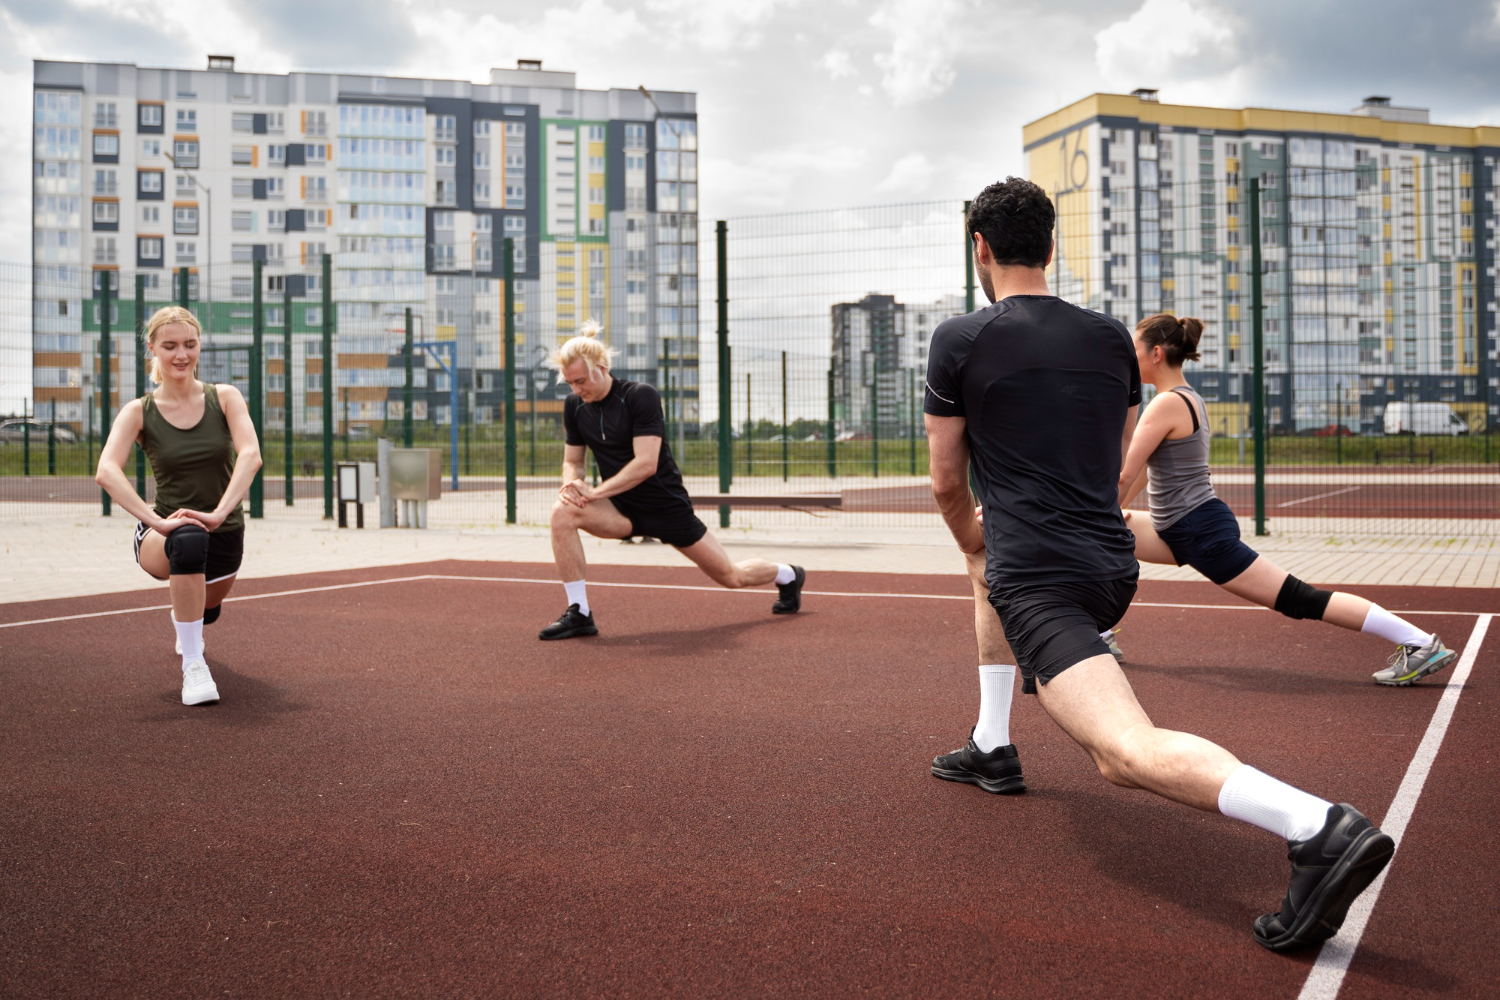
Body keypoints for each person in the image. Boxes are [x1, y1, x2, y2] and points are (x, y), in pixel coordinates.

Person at [923, 177, 1393, 952]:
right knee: (988, 573)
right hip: (1110, 563)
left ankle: (1318, 827)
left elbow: (945, 481)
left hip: (1043, 576)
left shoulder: (960, 338)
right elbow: (1105, 456)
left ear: (980, 247)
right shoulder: (1111, 337)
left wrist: (969, 531)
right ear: (1051, 248)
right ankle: (992, 744)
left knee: (1121, 753)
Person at [1110, 313, 1456, 685]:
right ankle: (1097, 632)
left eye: (1134, 349)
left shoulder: (1165, 405)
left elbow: (1127, 474)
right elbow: (1143, 472)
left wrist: (1099, 509)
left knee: (1300, 598)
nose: (1130, 357)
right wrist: (1108, 515)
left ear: (1157, 353)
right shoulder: (1186, 397)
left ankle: (1420, 643)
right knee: (1098, 535)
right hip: (1178, 527)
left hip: (1199, 532)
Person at [539, 320, 805, 640]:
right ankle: (579, 613)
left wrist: (595, 492)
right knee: (561, 512)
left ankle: (789, 575)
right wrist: (572, 485)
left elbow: (646, 464)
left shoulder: (640, 396)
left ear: (602, 367)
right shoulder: (575, 406)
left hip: (664, 507)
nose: (576, 390)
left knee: (732, 577)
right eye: (570, 383)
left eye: (580, 381)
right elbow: (572, 461)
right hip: (620, 511)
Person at [94, 306, 262, 705]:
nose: (181, 355)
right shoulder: (139, 411)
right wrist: (157, 521)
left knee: (206, 609)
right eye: (169, 346)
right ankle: (193, 666)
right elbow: (106, 471)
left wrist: (219, 514)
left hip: (224, 531)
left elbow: (251, 454)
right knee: (187, 540)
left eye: (190, 344)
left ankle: (190, 622)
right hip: (164, 533)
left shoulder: (225, 397)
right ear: (152, 348)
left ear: (199, 345)